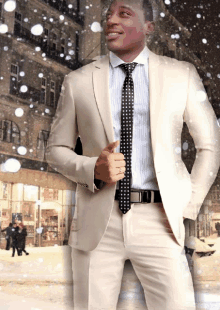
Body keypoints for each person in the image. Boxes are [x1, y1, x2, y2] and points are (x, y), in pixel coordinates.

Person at [46, 0, 220, 309]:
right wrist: (91, 169)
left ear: (148, 27)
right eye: (109, 14)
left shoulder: (181, 74)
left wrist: (187, 205)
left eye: (123, 13)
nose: (111, 20)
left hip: (161, 220)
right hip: (97, 220)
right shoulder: (78, 81)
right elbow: (55, 150)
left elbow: (210, 145)